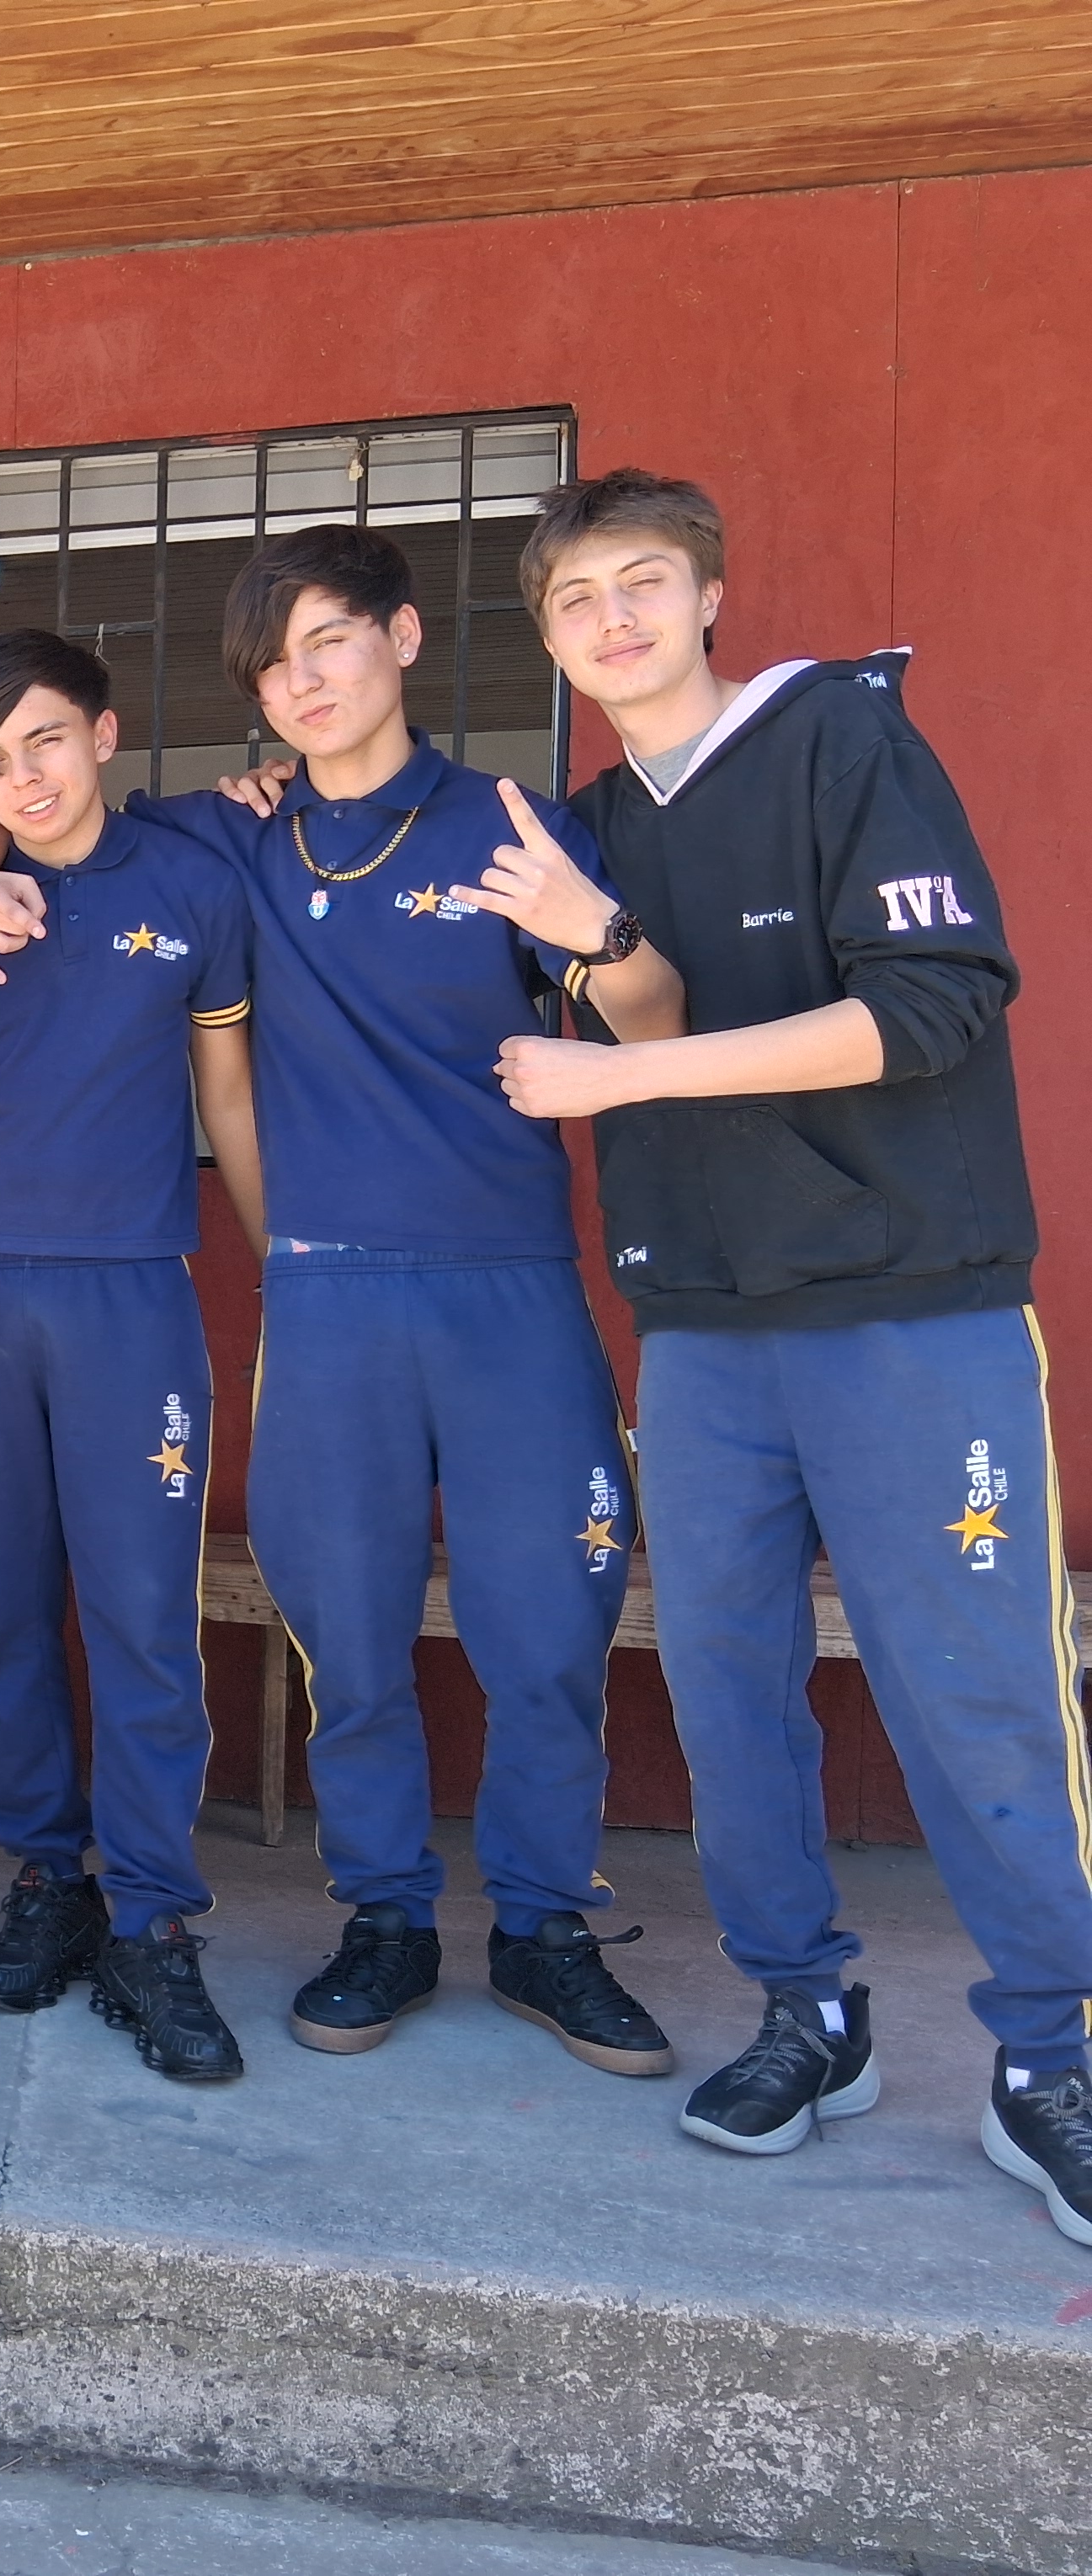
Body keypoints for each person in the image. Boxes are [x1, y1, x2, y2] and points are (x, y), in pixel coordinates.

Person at [0, 529, 689, 2073]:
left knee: (548, 1621)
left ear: (404, 640)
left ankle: (547, 1929)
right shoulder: (234, 848)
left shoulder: (506, 826)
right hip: (330, 1299)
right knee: (345, 1633)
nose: (307, 681)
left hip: (506, 1286)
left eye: (333, 642)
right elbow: (45, 832)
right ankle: (387, 1919)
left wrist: (592, 934)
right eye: (276, 666)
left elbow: (653, 1015)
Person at [500, 469, 1092, 2230]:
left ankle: (1050, 2052)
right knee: (728, 1686)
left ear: (706, 596)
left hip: (914, 1309)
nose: (611, 619)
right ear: (547, 639)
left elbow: (930, 1008)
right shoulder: (590, 825)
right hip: (705, 1327)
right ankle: (806, 2010)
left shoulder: (843, 740)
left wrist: (624, 1073)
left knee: (974, 1687)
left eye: (641, 583)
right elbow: (625, 993)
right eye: (573, 600)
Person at [0, 632, 264, 2079]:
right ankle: (48, 1880)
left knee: (145, 1619)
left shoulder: (192, 886)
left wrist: (292, 1270)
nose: (19, 779)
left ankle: (152, 1921)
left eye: (42, 741)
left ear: (101, 732)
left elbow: (228, 1095)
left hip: (130, 1301)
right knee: (7, 1616)